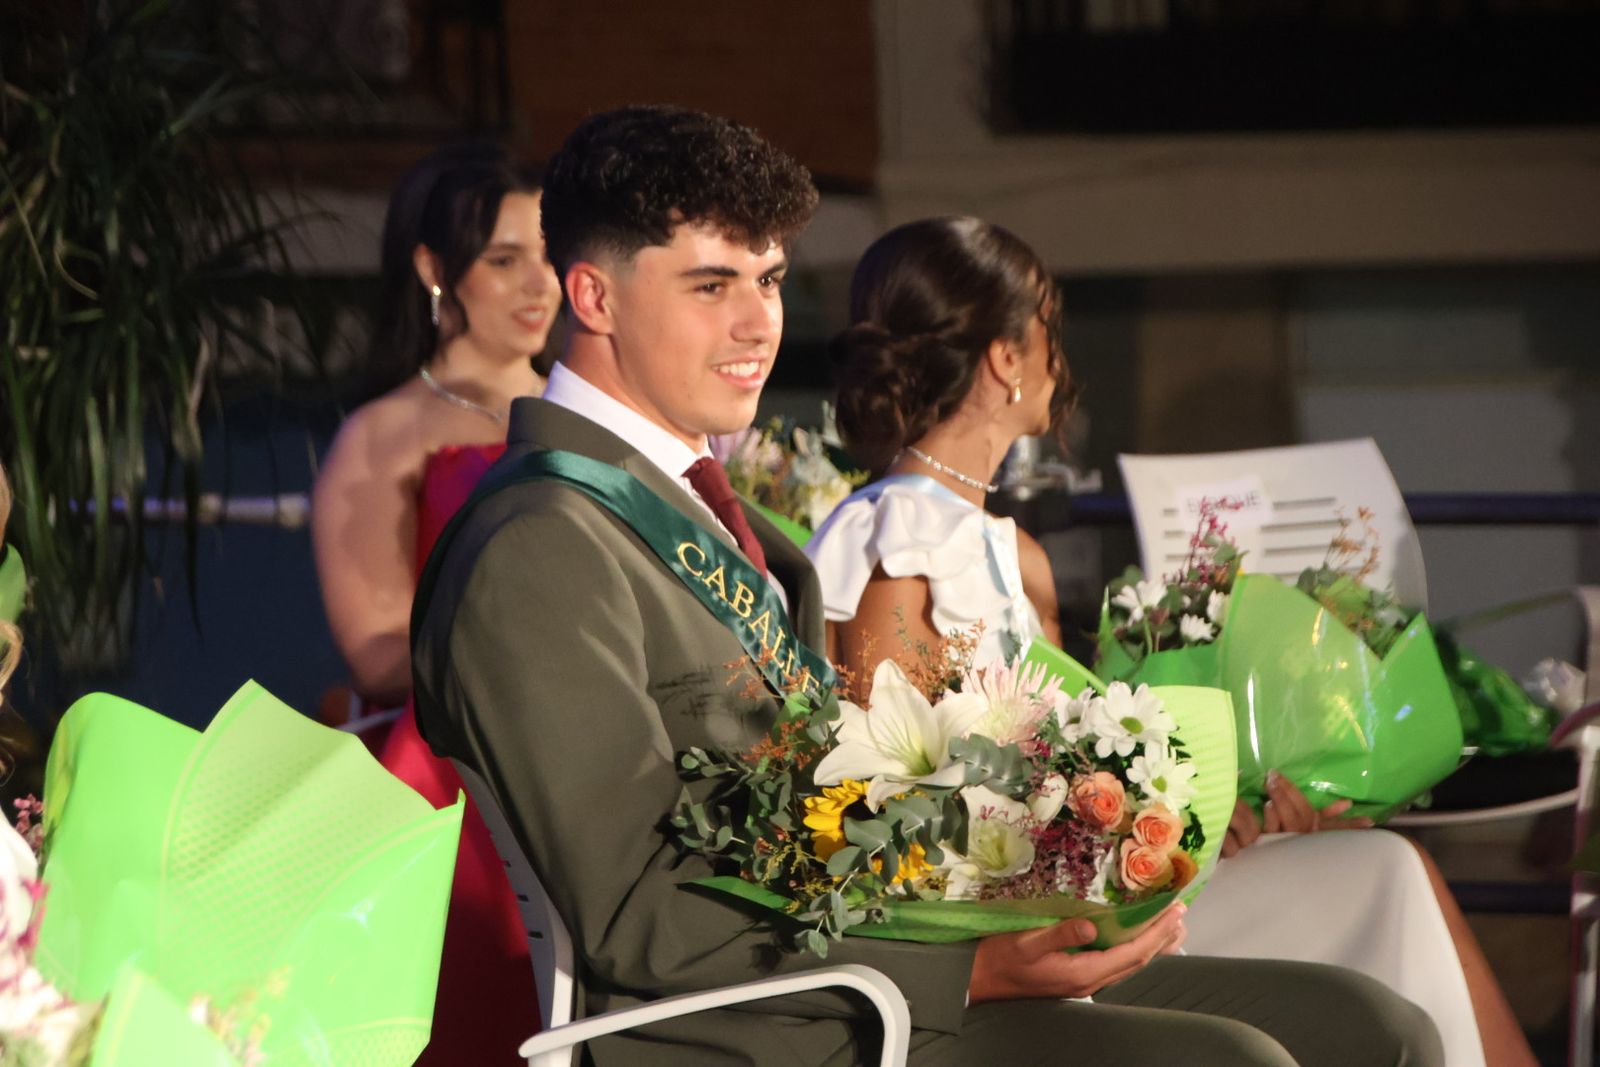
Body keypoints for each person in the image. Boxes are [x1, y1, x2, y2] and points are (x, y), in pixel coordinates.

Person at [410, 105, 1443, 1066]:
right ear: (592, 295)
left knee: (1373, 1027)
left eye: (768, 282)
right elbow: (639, 912)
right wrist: (968, 967)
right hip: (766, 1028)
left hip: (881, 965)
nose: (757, 323)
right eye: (710, 284)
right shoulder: (539, 545)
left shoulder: (708, 519)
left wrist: (1046, 868)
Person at [806, 215, 1530, 1067]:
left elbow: (1078, 762)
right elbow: (887, 790)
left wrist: (1198, 816)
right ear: (1006, 357)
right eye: (1048, 328)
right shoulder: (892, 543)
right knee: (1384, 883)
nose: (1058, 356)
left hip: (1105, 890)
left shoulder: (1017, 553)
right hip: (1009, 929)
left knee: (1380, 867)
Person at [310, 141, 561, 1064]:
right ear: (432, 269)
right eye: (504, 259)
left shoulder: (580, 419)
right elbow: (375, 648)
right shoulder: (384, 434)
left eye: (547, 253)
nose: (540, 283)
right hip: (453, 782)